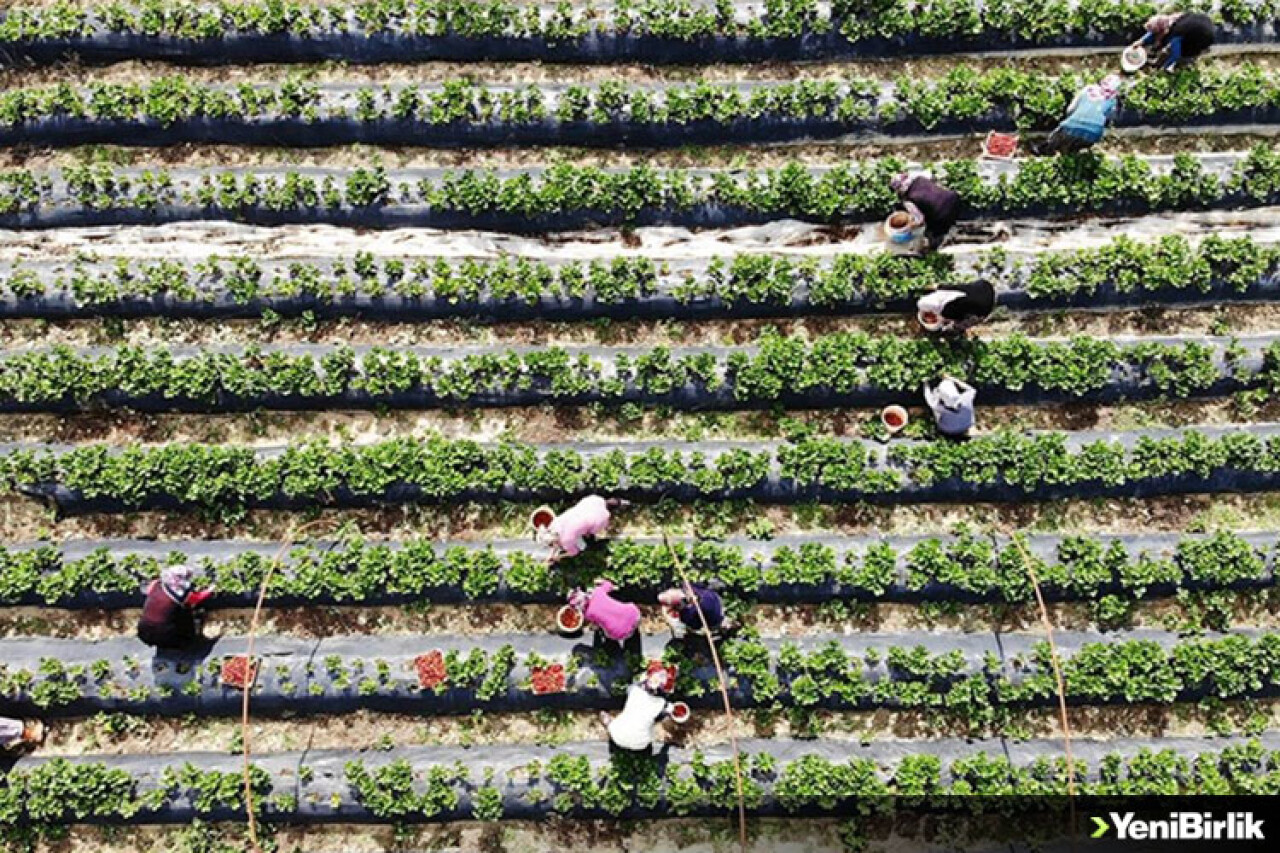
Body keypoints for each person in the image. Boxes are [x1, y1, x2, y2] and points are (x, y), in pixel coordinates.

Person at [1032, 74, 1121, 156]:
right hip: (1094, 132)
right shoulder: (1112, 101)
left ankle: (1044, 150)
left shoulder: (1089, 89)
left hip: (1073, 124)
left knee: (1056, 138)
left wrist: (1071, 117)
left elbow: (1070, 109)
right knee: (1076, 146)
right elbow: (1110, 117)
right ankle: (1069, 155)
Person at [137, 566, 215, 650]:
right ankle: (185, 642)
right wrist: (210, 590)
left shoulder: (156, 584)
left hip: (143, 630)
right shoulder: (180, 595)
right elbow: (197, 599)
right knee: (185, 611)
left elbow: (149, 591)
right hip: (164, 634)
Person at [600, 668, 676, 752]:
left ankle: (608, 722)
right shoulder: (660, 703)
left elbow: (634, 684)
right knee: (654, 723)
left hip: (617, 735)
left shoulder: (634, 691)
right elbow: (671, 708)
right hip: (640, 744)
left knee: (621, 720)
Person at [539, 495, 626, 563]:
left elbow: (574, 552)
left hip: (597, 518)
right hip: (590, 503)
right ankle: (620, 502)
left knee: (584, 544)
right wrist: (552, 553)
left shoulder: (566, 541)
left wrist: (558, 557)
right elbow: (554, 537)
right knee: (603, 505)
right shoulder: (554, 524)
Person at [889, 172, 962, 250]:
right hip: (954, 199)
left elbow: (920, 220)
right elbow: (933, 178)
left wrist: (909, 227)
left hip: (943, 215)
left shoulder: (909, 200)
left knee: (930, 229)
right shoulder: (920, 178)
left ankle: (937, 243)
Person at [569, 580, 642, 643]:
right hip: (634, 615)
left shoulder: (587, 614)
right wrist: (599, 581)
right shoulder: (598, 592)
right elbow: (609, 584)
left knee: (604, 629)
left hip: (620, 633)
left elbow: (595, 625)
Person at [1136, 12, 1214, 71]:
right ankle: (1157, 63)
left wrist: (1164, 68)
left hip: (1201, 37)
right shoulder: (1170, 20)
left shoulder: (1176, 34)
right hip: (1199, 23)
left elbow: (1175, 55)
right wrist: (1140, 41)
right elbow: (1154, 32)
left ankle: (1186, 69)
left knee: (1183, 61)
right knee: (1167, 49)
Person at [916, 280, 995, 333]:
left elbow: (955, 321)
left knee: (963, 324)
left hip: (985, 308)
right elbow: (935, 286)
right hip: (984, 286)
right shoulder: (943, 289)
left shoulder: (948, 310)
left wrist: (948, 328)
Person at [658, 584, 728, 637]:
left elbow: (695, 626)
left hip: (715, 619)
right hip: (715, 597)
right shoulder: (688, 586)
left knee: (682, 629)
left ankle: (721, 629)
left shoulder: (688, 614)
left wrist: (671, 620)